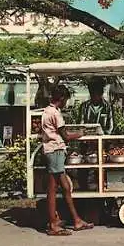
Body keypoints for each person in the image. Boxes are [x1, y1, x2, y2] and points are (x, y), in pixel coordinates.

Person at [42, 85, 94, 236]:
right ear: (62, 99)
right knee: (52, 188)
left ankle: (76, 220)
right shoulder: (56, 114)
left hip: (53, 150)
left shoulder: (46, 111)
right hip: (55, 150)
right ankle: (53, 224)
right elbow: (65, 136)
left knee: (65, 187)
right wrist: (79, 134)